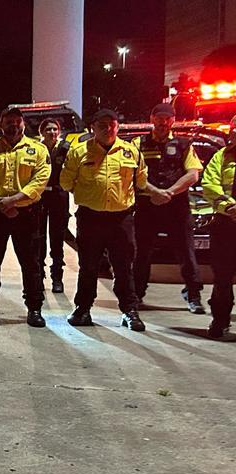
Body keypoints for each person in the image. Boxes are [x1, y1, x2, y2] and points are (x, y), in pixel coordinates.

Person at [59, 109, 146, 331]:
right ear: (93, 128)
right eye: (102, 125)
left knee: (124, 267)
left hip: (121, 219)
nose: (108, 129)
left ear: (118, 127)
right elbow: (66, 182)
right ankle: (82, 309)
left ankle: (130, 311)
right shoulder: (79, 152)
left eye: (112, 124)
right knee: (88, 266)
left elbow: (141, 181)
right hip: (91, 218)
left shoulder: (130, 152)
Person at [0, 107, 50, 327]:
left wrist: (13, 200)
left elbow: (40, 180)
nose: (13, 125)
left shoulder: (38, 149)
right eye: (8, 121)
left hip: (26, 214)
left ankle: (34, 309)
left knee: (30, 264)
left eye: (17, 121)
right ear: (1, 125)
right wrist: (1, 202)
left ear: (23, 123)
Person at [133, 103, 205, 315]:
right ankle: (137, 294)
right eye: (159, 118)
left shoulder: (184, 144)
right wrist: (155, 191)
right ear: (152, 118)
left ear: (173, 121)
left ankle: (194, 295)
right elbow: (131, 172)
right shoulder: (138, 143)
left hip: (176, 206)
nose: (163, 122)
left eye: (167, 118)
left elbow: (193, 174)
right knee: (141, 254)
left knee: (186, 253)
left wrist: (170, 192)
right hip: (147, 205)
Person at [200, 120, 236, 339]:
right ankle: (220, 320)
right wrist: (229, 206)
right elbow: (209, 185)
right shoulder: (221, 156)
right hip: (226, 225)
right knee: (222, 277)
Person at [36, 118, 72, 293]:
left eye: (55, 129)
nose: (52, 132)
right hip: (40, 196)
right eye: (48, 129)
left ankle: (57, 277)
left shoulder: (66, 148)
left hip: (59, 195)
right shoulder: (36, 148)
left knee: (57, 238)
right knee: (38, 237)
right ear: (41, 132)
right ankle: (39, 275)